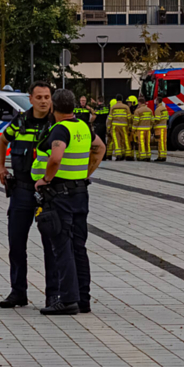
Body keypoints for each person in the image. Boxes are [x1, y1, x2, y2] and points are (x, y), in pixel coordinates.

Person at [31, 89, 106, 315]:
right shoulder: (82, 126)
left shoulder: (60, 129)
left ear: (53, 107)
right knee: (79, 248)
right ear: (74, 106)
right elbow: (100, 148)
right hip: (79, 193)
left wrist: (45, 179)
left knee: (62, 247)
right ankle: (83, 299)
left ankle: (68, 299)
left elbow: (56, 157)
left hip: (60, 195)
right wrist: (86, 172)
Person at [0, 81, 55, 309]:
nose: (43, 101)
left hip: (48, 193)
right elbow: (2, 141)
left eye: (47, 97)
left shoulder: (57, 124)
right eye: (38, 97)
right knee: (16, 244)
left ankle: (53, 295)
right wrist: (0, 167)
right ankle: (18, 292)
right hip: (21, 191)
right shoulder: (19, 122)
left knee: (51, 245)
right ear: (30, 99)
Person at [109, 96, 133, 160]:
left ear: (116, 100)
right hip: (124, 126)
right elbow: (129, 117)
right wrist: (130, 126)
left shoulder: (113, 107)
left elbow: (110, 118)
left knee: (117, 140)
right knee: (126, 140)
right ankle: (128, 154)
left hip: (115, 126)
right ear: (122, 99)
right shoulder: (126, 107)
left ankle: (118, 154)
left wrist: (108, 128)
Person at [133, 96, 154, 161]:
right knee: (147, 143)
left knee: (141, 142)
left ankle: (142, 156)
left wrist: (133, 130)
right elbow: (152, 120)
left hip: (140, 129)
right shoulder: (149, 110)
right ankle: (148, 156)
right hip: (148, 129)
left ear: (139, 102)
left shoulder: (138, 111)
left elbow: (136, 121)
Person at [153, 96, 170, 162]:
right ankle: (163, 156)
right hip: (164, 127)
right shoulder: (164, 108)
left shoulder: (158, 109)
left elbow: (157, 119)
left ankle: (161, 157)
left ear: (157, 101)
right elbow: (167, 118)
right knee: (163, 142)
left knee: (160, 143)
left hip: (159, 128)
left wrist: (152, 121)